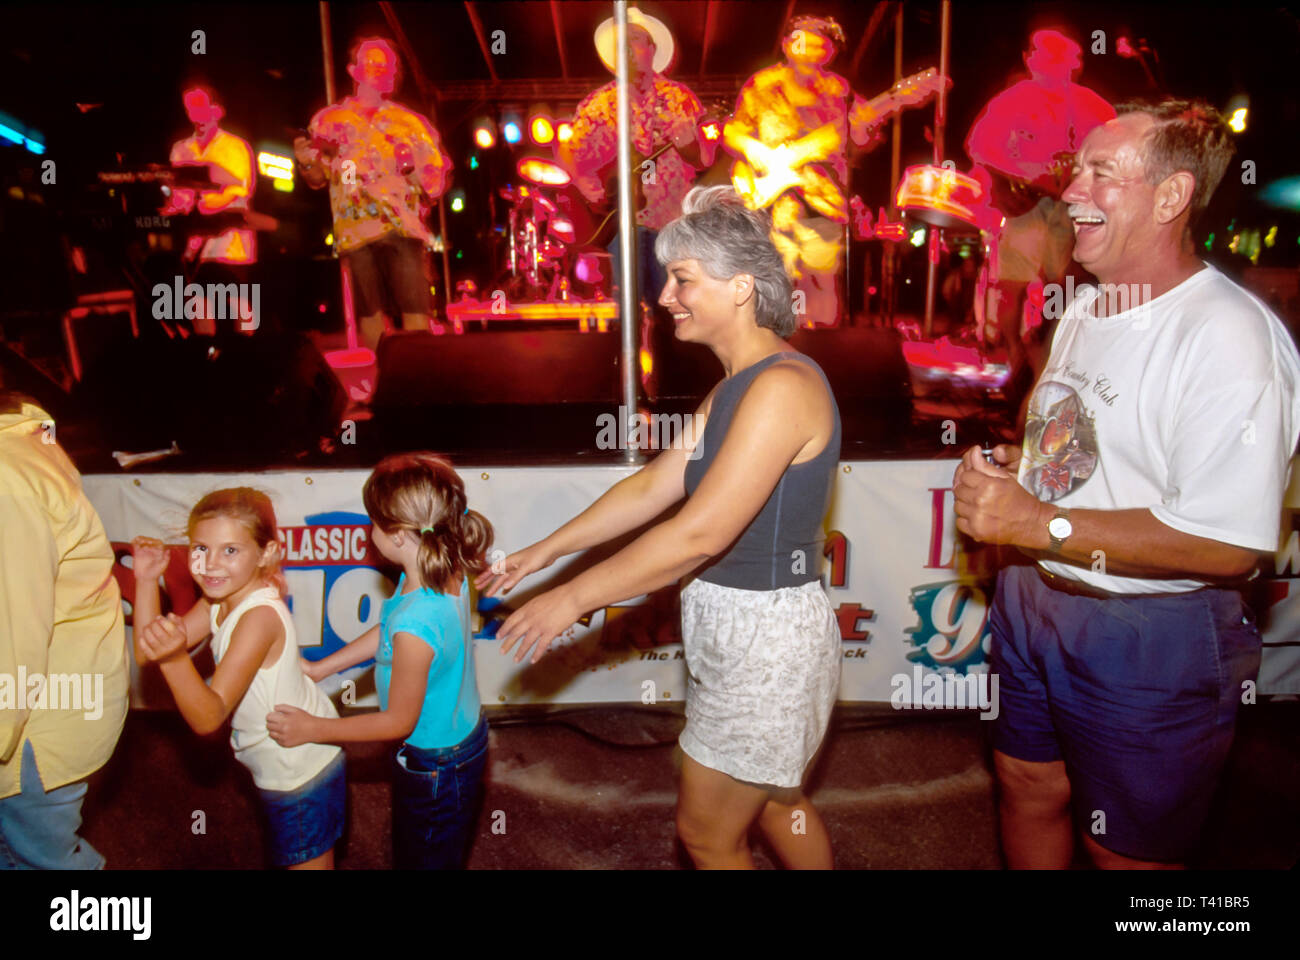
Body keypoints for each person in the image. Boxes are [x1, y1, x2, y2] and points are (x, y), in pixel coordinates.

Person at [953, 99, 1300, 869]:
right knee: (1025, 783)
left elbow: (1229, 545)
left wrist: (1037, 523)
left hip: (1148, 637)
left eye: (1100, 174)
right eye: (1077, 169)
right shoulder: (1086, 306)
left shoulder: (1227, 335)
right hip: (1033, 599)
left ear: (1171, 197)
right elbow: (1082, 448)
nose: (1071, 191)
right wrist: (1021, 471)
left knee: (1124, 853)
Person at [479, 186, 842, 869]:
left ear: (740, 288)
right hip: (739, 627)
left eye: (682, 280)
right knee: (775, 802)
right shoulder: (737, 385)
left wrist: (572, 597)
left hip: (766, 641)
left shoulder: (782, 387)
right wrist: (543, 554)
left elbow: (698, 533)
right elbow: (654, 486)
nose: (667, 296)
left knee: (708, 833)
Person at [267, 454, 493, 870]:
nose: (369, 530)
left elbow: (395, 722)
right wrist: (322, 667)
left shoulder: (415, 624)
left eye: (373, 522)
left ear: (400, 536)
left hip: (437, 765)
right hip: (462, 739)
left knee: (423, 858)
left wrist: (314, 729)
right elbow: (387, 632)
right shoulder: (440, 567)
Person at [131, 488, 344, 869]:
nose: (210, 564)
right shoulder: (219, 599)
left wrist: (176, 657)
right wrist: (147, 582)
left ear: (266, 554)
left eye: (230, 550)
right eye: (200, 549)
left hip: (300, 770)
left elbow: (209, 716)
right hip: (280, 761)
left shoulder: (257, 618)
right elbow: (148, 651)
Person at [0, 392, 129, 869]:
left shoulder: (5, 476)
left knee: (36, 860)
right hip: (54, 700)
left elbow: (12, 631)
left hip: (32, 722)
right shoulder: (23, 444)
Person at [724, 15, 891, 328]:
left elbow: (857, 141)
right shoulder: (761, 84)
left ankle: (822, 352)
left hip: (823, 199)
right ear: (787, 45)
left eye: (821, 43)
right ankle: (778, 351)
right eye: (804, 40)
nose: (812, 48)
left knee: (822, 279)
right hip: (771, 202)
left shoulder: (840, 90)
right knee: (776, 281)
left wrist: (871, 128)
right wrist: (754, 149)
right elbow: (732, 133)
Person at [295, 38, 452, 345]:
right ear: (353, 70)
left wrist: (424, 176)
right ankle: (379, 381)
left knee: (415, 311)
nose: (382, 71)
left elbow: (435, 179)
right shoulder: (328, 121)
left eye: (388, 66)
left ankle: (415, 384)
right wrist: (305, 164)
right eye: (374, 63)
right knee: (369, 315)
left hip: (402, 226)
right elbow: (317, 178)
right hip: (355, 230)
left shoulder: (411, 123)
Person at [162, 86, 259, 335]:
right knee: (198, 304)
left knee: (239, 304)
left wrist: (204, 206)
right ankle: (206, 358)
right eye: (190, 108)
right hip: (195, 246)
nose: (196, 115)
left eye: (201, 107)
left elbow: (239, 190)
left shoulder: (236, 147)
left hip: (230, 243)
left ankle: (250, 356)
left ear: (217, 109)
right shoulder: (180, 149)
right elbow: (178, 194)